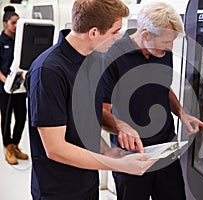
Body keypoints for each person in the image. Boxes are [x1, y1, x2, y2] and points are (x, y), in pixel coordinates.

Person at [26, 0, 156, 199]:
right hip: (57, 190)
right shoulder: (48, 71)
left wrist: (118, 129)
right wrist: (119, 165)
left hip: (87, 182)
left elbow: (90, 115)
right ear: (94, 32)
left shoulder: (93, 59)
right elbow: (55, 149)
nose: (119, 37)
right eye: (115, 31)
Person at [100, 2, 203, 200]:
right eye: (166, 42)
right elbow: (102, 110)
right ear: (145, 35)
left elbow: (163, 88)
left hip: (165, 146)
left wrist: (182, 114)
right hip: (131, 153)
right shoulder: (113, 54)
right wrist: (120, 127)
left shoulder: (162, 52)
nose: (170, 48)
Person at [0, 6, 28, 165]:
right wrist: (7, 83)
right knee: (6, 119)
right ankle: (8, 147)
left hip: (20, 87)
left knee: (21, 117)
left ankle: (16, 145)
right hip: (4, 88)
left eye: (18, 23)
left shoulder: (20, 41)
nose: (16, 26)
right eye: (13, 23)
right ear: (5, 24)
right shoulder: (1, 41)